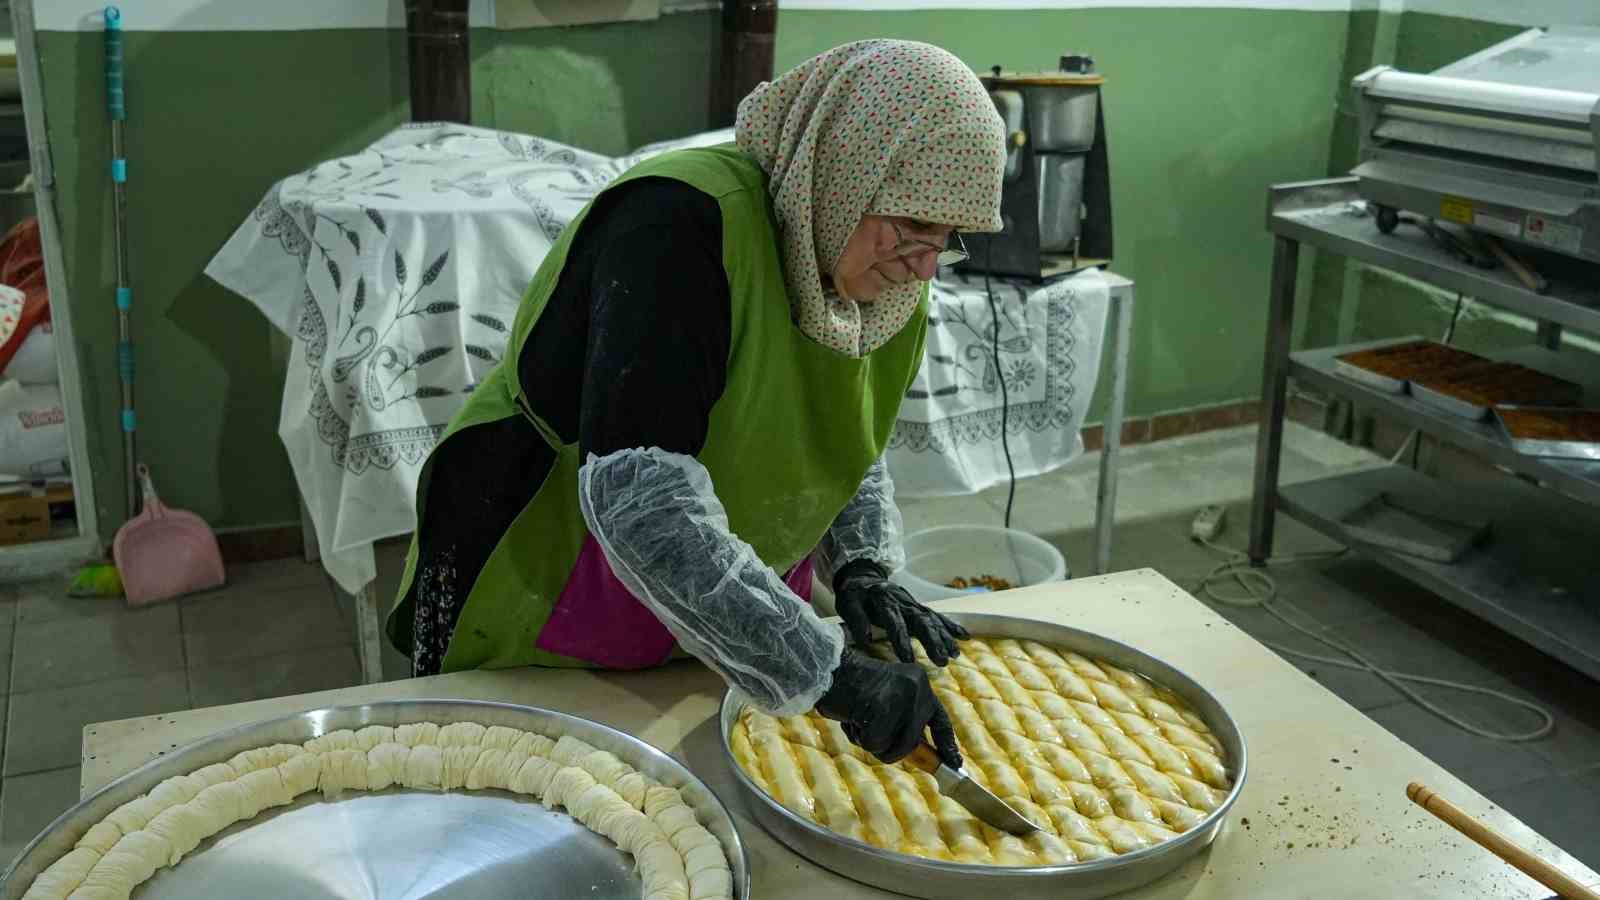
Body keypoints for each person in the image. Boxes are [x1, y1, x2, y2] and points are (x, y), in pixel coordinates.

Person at [387, 40, 1006, 769]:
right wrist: (829, 674)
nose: (929, 264)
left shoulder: (887, 262)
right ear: (847, 173)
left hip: (713, 586)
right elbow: (643, 505)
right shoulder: (679, 226)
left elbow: (839, 424)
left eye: (949, 237)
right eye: (913, 228)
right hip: (555, 559)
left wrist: (863, 566)